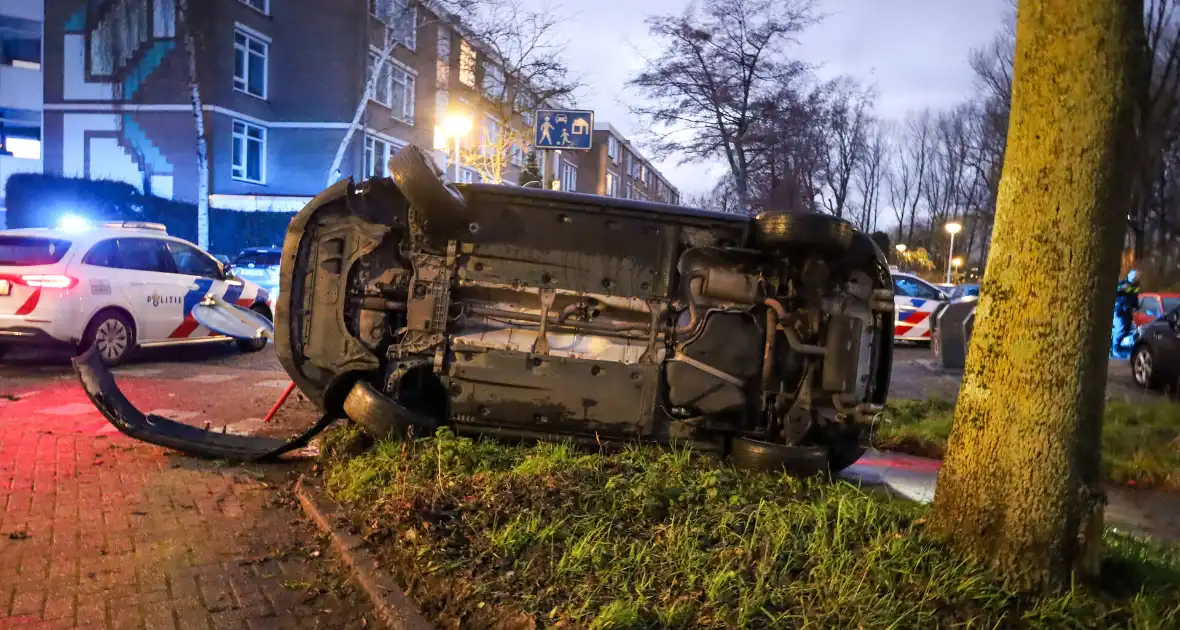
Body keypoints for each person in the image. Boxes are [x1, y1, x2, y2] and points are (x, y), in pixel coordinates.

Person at [1111, 269, 1141, 359]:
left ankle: (1127, 349)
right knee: (1121, 329)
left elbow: (1134, 296)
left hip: (1127, 312)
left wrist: (1135, 306)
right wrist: (1123, 304)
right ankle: (1115, 349)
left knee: (1130, 329)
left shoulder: (1136, 286)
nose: (1136, 278)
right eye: (1135, 277)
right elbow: (1116, 296)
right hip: (1118, 311)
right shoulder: (1122, 284)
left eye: (1137, 277)